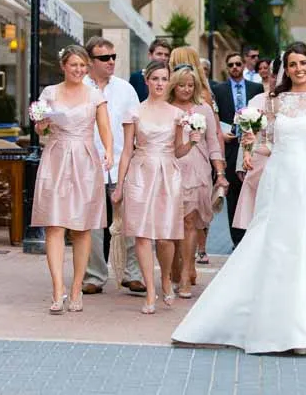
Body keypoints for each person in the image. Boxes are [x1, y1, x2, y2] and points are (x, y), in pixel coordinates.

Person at [172, 42, 306, 354]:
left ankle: (305, 328)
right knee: (271, 242)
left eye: (303, 63)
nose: (299, 69)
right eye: (293, 64)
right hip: (278, 176)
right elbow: (266, 141)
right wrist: (250, 146)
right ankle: (252, 321)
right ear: (286, 68)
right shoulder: (274, 101)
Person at [31, 45, 113, 314]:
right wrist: (41, 121)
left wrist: (110, 153)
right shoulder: (50, 93)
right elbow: (40, 128)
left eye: (82, 65)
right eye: (73, 65)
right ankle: (57, 289)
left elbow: (104, 128)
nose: (78, 70)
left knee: (81, 227)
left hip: (84, 160)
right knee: (54, 225)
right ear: (64, 66)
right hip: (55, 157)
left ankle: (77, 288)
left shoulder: (95, 95)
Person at [112, 61, 194, 314]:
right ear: (146, 80)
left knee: (166, 236)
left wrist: (193, 142)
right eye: (155, 78)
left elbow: (179, 151)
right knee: (142, 234)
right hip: (140, 171)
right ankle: (149, 290)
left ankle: (166, 277)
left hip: (168, 173)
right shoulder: (134, 112)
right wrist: (119, 185)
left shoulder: (177, 115)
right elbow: (126, 151)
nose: (160, 83)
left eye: (164, 78)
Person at [82, 37, 145, 296]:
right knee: (93, 224)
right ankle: (94, 276)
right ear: (89, 61)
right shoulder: (80, 88)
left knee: (130, 221)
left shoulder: (126, 89)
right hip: (88, 164)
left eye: (113, 57)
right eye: (104, 58)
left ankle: (134, 274)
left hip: (122, 162)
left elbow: (135, 127)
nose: (111, 62)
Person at [168, 65, 227, 298]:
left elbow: (213, 142)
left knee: (191, 222)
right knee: (172, 224)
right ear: (174, 86)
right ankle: (175, 267)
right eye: (181, 85)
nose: (185, 89)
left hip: (198, 170)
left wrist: (220, 173)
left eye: (190, 85)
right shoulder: (166, 109)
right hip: (170, 169)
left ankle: (185, 273)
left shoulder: (204, 110)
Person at [211, 52, 264, 247]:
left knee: (253, 192)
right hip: (231, 147)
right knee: (233, 195)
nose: (235, 67)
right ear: (227, 67)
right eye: (231, 64)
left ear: (244, 66)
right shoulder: (219, 89)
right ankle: (237, 239)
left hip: (254, 148)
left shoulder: (256, 88)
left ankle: (253, 235)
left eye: (238, 64)